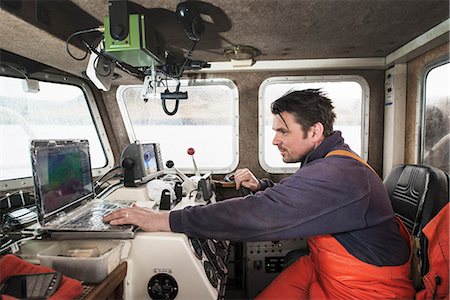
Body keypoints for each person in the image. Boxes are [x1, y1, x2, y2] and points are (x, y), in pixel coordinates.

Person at [103, 89, 414, 299]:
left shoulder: (338, 174)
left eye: (283, 131)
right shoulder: (326, 162)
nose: (276, 140)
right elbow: (306, 202)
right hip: (325, 269)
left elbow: (258, 215)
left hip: (365, 289)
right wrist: (264, 188)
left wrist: (164, 220)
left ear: (315, 132)